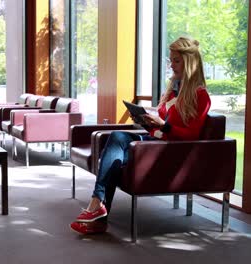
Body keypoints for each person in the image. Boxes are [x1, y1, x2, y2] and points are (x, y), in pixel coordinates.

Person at [70, 37, 211, 235]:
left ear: (190, 63)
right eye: (171, 60)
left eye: (176, 60)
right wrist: (147, 122)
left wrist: (165, 126)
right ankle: (98, 211)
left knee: (117, 145)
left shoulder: (200, 95)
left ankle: (98, 210)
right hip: (157, 143)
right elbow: (161, 128)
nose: (171, 65)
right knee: (117, 143)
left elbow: (192, 135)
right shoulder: (173, 92)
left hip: (172, 152)